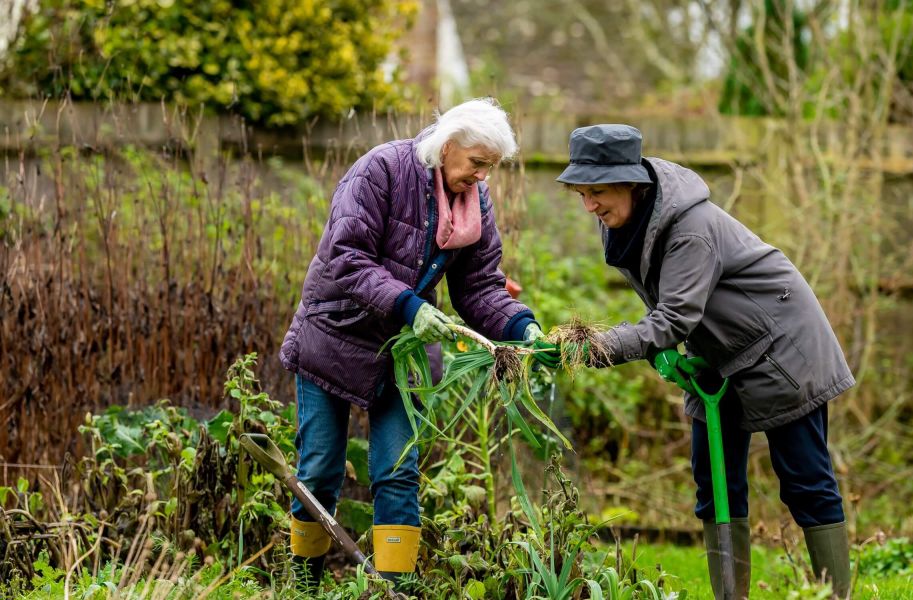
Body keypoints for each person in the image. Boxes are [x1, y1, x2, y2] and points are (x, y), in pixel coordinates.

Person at [534, 124, 854, 599]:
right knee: (715, 484)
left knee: (805, 481)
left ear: (633, 184)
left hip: (783, 348)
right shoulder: (627, 222)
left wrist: (602, 345)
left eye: (598, 192)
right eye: (582, 194)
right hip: (718, 355)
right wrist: (662, 354)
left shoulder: (690, 229)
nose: (590, 206)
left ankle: (837, 596)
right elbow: (668, 310)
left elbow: (673, 318)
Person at [278, 98, 543, 589]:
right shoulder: (381, 170)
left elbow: (480, 287)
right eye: (477, 164)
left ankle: (391, 590)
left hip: (403, 351)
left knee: (397, 471)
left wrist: (522, 326)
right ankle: (305, 585)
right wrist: (410, 305)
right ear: (447, 146)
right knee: (318, 469)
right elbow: (346, 256)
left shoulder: (472, 202)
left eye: (490, 168)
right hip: (334, 334)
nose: (482, 178)